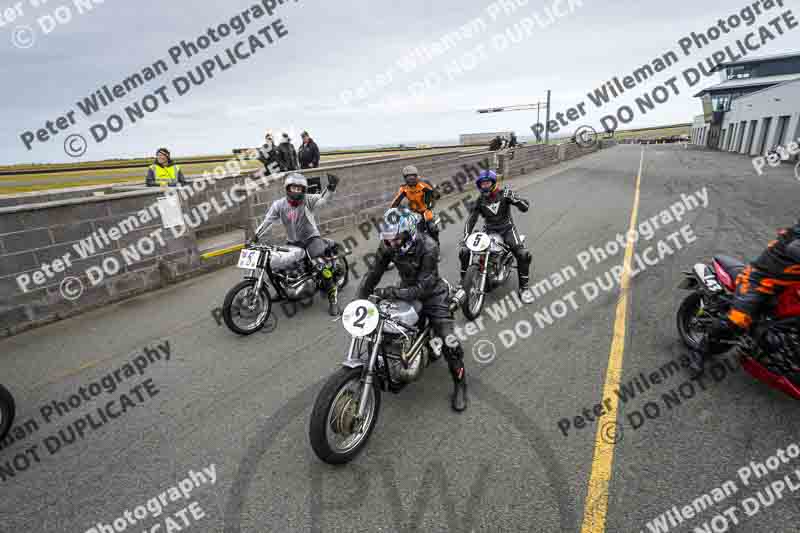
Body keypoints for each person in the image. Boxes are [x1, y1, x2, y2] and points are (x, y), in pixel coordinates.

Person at [357, 209, 468, 411]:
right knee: (386, 328)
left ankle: (460, 385)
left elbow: (422, 288)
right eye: (387, 239)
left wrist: (389, 291)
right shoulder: (389, 246)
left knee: (449, 342)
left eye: (395, 238)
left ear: (408, 232)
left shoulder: (429, 246)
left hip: (433, 293)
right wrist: (359, 300)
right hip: (405, 289)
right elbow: (373, 274)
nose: (390, 244)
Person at [688, 220, 800, 377]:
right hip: (758, 281)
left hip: (785, 284)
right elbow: (794, 249)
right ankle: (700, 350)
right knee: (737, 320)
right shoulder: (795, 239)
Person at [252, 172, 342, 316]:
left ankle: (333, 299)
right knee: (277, 266)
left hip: (311, 239)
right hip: (293, 241)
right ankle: (282, 292)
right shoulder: (279, 205)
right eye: (293, 188)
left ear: (303, 190)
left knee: (321, 266)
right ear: (287, 188)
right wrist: (255, 236)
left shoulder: (307, 200)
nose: (296, 191)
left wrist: (331, 187)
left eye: (299, 188)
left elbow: (322, 200)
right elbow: (267, 221)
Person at [460, 170, 533, 303]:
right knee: (465, 251)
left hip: (507, 229)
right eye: (482, 184)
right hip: (489, 231)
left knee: (523, 255)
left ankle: (524, 288)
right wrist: (466, 237)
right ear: (479, 186)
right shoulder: (479, 200)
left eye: (487, 183)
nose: (485, 186)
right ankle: (463, 284)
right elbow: (471, 220)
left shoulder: (504, 194)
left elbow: (525, 207)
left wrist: (514, 198)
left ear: (493, 183)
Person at [390, 165, 441, 244]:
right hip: (413, 211)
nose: (411, 178)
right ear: (405, 178)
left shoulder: (422, 184)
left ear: (416, 176)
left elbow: (434, 193)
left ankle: (436, 244)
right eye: (408, 177)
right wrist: (391, 210)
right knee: (408, 229)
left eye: (413, 176)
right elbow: (397, 200)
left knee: (432, 227)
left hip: (425, 209)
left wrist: (435, 194)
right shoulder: (403, 188)